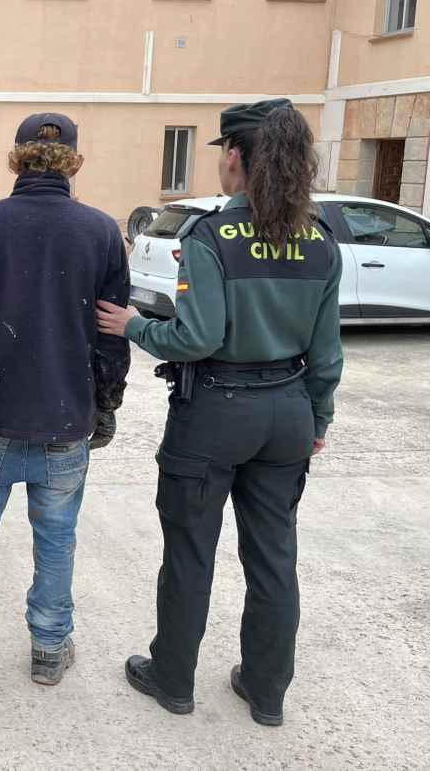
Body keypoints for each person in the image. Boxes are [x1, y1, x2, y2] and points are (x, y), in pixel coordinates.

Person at [96, 99, 344, 727]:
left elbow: (196, 338)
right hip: (287, 413)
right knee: (273, 560)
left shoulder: (208, 237)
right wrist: (317, 420)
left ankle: (173, 679)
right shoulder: (319, 243)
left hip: (214, 415)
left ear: (234, 155)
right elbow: (327, 353)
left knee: (190, 552)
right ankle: (266, 692)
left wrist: (135, 326)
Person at [0, 112, 130, 686]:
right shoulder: (100, 231)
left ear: (15, 158)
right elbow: (110, 335)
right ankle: (48, 649)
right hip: (65, 418)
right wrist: (107, 404)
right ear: (75, 162)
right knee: (57, 539)